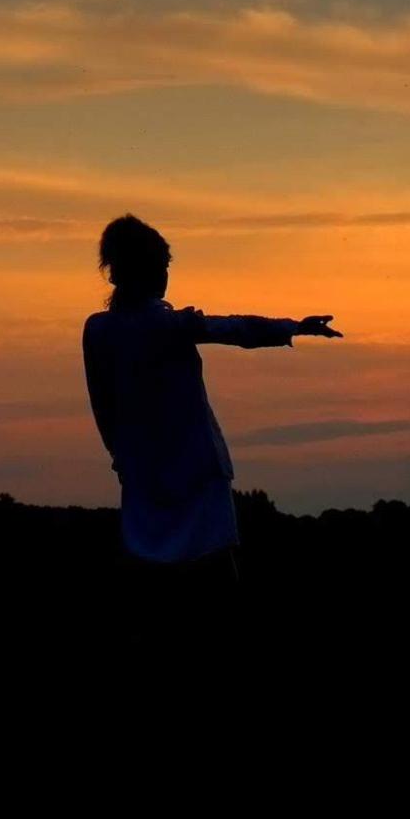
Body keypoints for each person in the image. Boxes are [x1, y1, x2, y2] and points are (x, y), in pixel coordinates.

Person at [81, 214, 342, 584]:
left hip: (143, 471)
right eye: (162, 265)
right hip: (195, 470)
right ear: (146, 270)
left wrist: (121, 456)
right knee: (215, 568)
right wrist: (294, 326)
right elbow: (236, 329)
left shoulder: (99, 330)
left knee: (153, 568)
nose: (166, 274)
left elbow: (102, 405)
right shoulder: (168, 324)